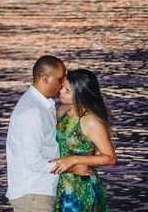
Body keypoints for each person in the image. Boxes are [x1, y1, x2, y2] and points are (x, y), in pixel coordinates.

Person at [6, 56, 93, 212]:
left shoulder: (42, 105)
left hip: (39, 192)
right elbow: (32, 161)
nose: (63, 84)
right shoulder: (32, 112)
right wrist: (72, 168)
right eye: (60, 79)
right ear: (45, 78)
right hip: (34, 194)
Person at [49, 69, 116, 212]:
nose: (60, 91)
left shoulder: (90, 121)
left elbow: (110, 158)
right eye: (62, 86)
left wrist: (74, 160)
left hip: (82, 186)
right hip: (62, 182)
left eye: (66, 91)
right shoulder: (62, 111)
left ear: (80, 95)